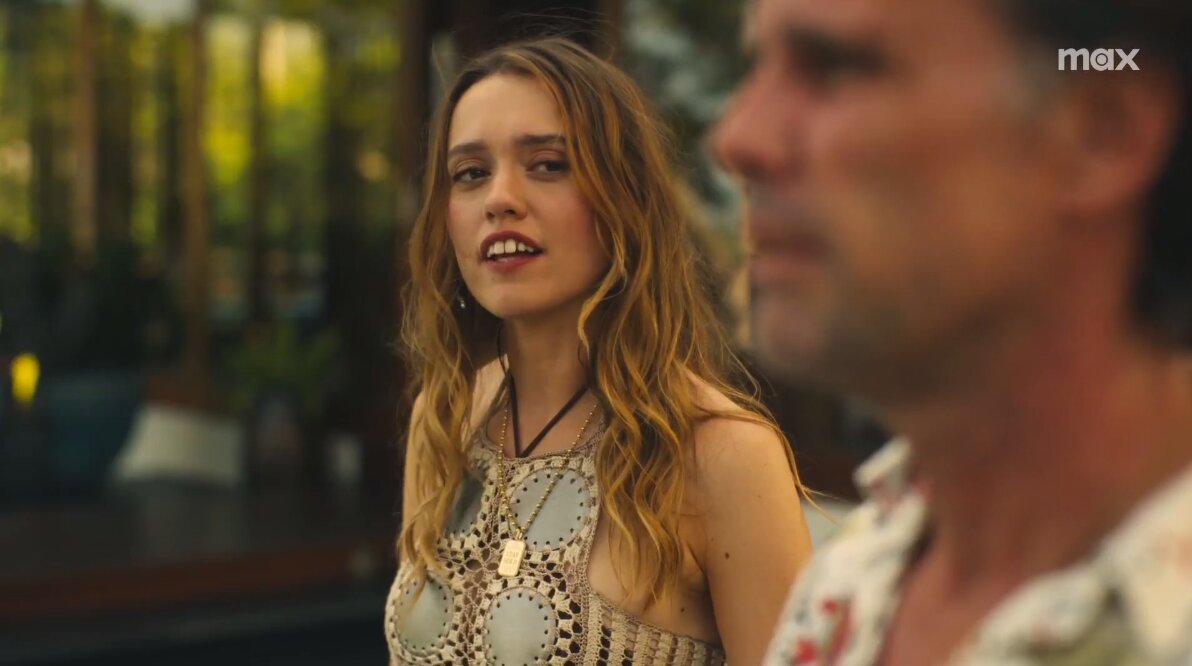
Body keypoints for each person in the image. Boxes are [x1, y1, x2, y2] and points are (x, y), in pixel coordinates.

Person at [712, 0, 1192, 663]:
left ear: (1102, 132)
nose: (738, 138)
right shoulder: (856, 577)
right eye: (757, 66)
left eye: (836, 67)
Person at [388, 37, 813, 665]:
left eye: (547, 164)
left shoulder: (720, 455)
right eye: (471, 173)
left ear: (623, 199)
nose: (500, 198)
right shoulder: (445, 416)